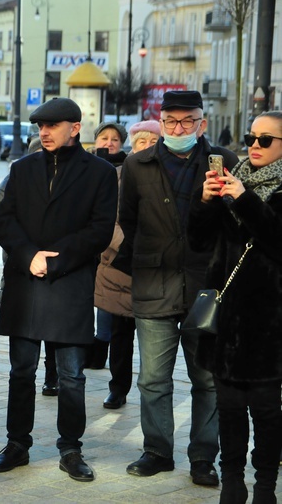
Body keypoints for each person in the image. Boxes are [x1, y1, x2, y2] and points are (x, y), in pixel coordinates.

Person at [0, 97, 117, 482]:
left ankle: (71, 448)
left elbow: (99, 229)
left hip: (70, 282)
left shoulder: (100, 172)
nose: (44, 132)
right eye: (40, 126)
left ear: (75, 128)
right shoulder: (22, 168)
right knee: (21, 371)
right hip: (25, 283)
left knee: (72, 376)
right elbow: (3, 219)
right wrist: (29, 255)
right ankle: (17, 444)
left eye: (53, 126)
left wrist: (56, 260)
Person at [116, 90, 237, 486]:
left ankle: (203, 457)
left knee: (206, 378)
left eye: (188, 121)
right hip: (154, 282)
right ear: (161, 121)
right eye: (172, 121)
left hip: (207, 286)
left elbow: (235, 224)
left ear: (202, 122)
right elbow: (128, 222)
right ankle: (157, 451)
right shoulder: (138, 164)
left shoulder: (223, 161)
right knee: (153, 378)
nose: (180, 128)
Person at [188, 111, 282, 503]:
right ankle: (232, 482)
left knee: (266, 412)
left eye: (265, 140)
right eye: (250, 137)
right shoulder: (232, 182)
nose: (254, 146)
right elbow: (196, 240)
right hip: (225, 319)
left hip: (270, 322)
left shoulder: (255, 191)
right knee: (228, 410)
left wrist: (242, 199)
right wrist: (207, 201)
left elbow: (276, 240)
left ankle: (264, 486)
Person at [95, 120, 161, 410]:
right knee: (120, 334)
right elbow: (106, 218)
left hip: (157, 268)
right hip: (121, 265)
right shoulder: (119, 177)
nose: (146, 148)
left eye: (152, 142)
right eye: (140, 142)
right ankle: (118, 388)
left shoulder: (168, 176)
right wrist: (124, 246)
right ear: (132, 147)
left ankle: (154, 390)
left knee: (154, 338)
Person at [0, 137, 59, 397]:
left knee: (55, 330)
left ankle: (51, 372)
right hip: (20, 265)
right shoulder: (15, 176)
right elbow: (1, 215)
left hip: (56, 267)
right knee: (23, 353)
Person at [86, 122, 128, 371]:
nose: (109, 143)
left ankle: (100, 348)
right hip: (85, 245)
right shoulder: (85, 165)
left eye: (115, 139)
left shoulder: (128, 168)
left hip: (111, 248)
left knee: (106, 302)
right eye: (104, 137)